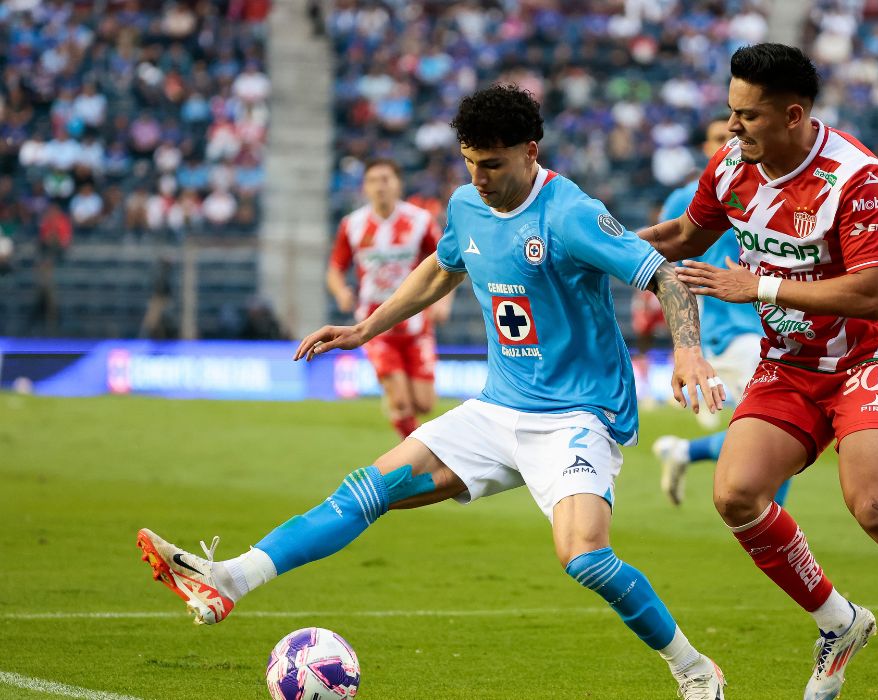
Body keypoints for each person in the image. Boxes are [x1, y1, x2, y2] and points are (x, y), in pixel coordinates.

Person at [137, 85, 728, 700]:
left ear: (531, 151)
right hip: (497, 409)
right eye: (469, 162)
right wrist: (366, 327)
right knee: (366, 489)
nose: (478, 178)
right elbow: (442, 268)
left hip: (578, 416)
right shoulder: (466, 205)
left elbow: (664, 276)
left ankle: (694, 669)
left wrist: (687, 351)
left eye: (492, 164)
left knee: (585, 558)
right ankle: (230, 580)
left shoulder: (570, 213)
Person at [639, 44, 878, 700]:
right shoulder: (731, 167)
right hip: (789, 363)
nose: (733, 127)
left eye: (747, 116)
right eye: (731, 111)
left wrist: (758, 287)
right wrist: (592, 246)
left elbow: (870, 292)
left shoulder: (856, 176)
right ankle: (839, 623)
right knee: (735, 495)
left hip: (866, 358)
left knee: (875, 507)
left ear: (793, 115)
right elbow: (682, 237)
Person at [652, 115, 791, 508]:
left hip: (772, 321)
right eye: (717, 138)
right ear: (705, 148)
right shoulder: (686, 198)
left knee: (778, 431)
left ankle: (683, 452)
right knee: (780, 428)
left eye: (731, 136)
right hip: (730, 328)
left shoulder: (765, 189)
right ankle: (775, 524)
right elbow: (665, 257)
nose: (727, 143)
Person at [327, 158, 451, 438]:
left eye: (385, 179)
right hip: (375, 323)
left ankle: (405, 423)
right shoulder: (352, 224)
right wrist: (341, 291)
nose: (379, 187)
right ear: (365, 187)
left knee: (424, 403)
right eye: (373, 181)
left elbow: (448, 261)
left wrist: (443, 302)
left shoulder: (420, 221)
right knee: (402, 401)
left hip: (415, 320)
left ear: (398, 184)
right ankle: (416, 451)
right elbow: (335, 269)